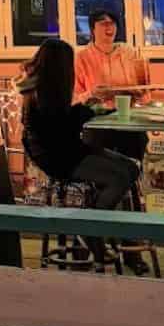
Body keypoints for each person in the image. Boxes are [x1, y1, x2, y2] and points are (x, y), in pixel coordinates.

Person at [20, 39, 140, 213]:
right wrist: (86, 111)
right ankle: (90, 227)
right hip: (60, 157)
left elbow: (62, 119)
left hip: (65, 150)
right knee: (120, 177)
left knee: (131, 168)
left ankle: (95, 208)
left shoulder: (40, 87)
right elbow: (62, 126)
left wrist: (83, 109)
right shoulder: (44, 92)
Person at [74, 9, 150, 163]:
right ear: (92, 29)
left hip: (129, 120)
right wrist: (91, 94)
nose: (110, 28)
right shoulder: (81, 58)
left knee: (134, 166)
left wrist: (140, 94)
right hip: (97, 123)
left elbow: (145, 90)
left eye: (113, 23)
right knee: (101, 170)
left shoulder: (130, 53)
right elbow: (74, 98)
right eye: (104, 24)